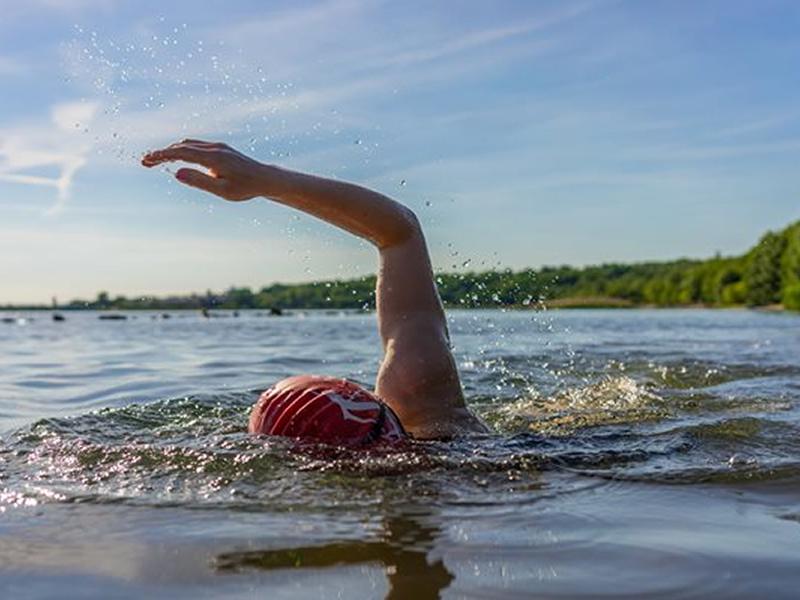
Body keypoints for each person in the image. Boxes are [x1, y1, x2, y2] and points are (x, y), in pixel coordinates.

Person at [142, 140, 488, 442]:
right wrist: (266, 179)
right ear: (368, 402)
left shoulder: (425, 413)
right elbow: (400, 232)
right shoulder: (425, 405)